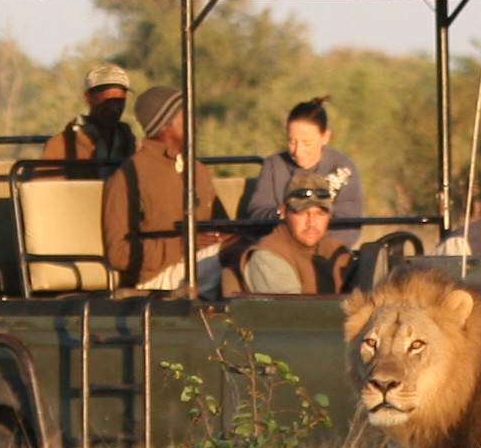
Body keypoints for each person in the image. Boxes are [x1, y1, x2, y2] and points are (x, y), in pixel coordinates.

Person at [102, 85, 228, 295]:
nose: (195, 124)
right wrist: (181, 245)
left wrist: (227, 235)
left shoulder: (198, 169)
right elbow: (118, 253)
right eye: (186, 117)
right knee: (235, 256)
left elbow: (223, 224)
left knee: (255, 250)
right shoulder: (128, 176)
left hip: (206, 261)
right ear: (165, 125)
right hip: (155, 277)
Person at [241, 97, 366, 247]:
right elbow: (257, 214)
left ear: (325, 137)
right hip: (279, 248)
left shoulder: (343, 168)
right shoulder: (273, 165)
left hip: (326, 252)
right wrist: (280, 214)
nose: (298, 151)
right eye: (292, 142)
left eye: (307, 143)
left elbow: (349, 224)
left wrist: (315, 243)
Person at [240, 180, 354, 295]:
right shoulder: (267, 257)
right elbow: (293, 311)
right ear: (284, 212)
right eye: (303, 213)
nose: (312, 223)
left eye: (320, 213)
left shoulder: (338, 251)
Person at [41, 62, 137, 168]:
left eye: (119, 101)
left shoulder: (130, 142)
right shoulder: (61, 145)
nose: (114, 108)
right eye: (107, 102)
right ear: (88, 98)